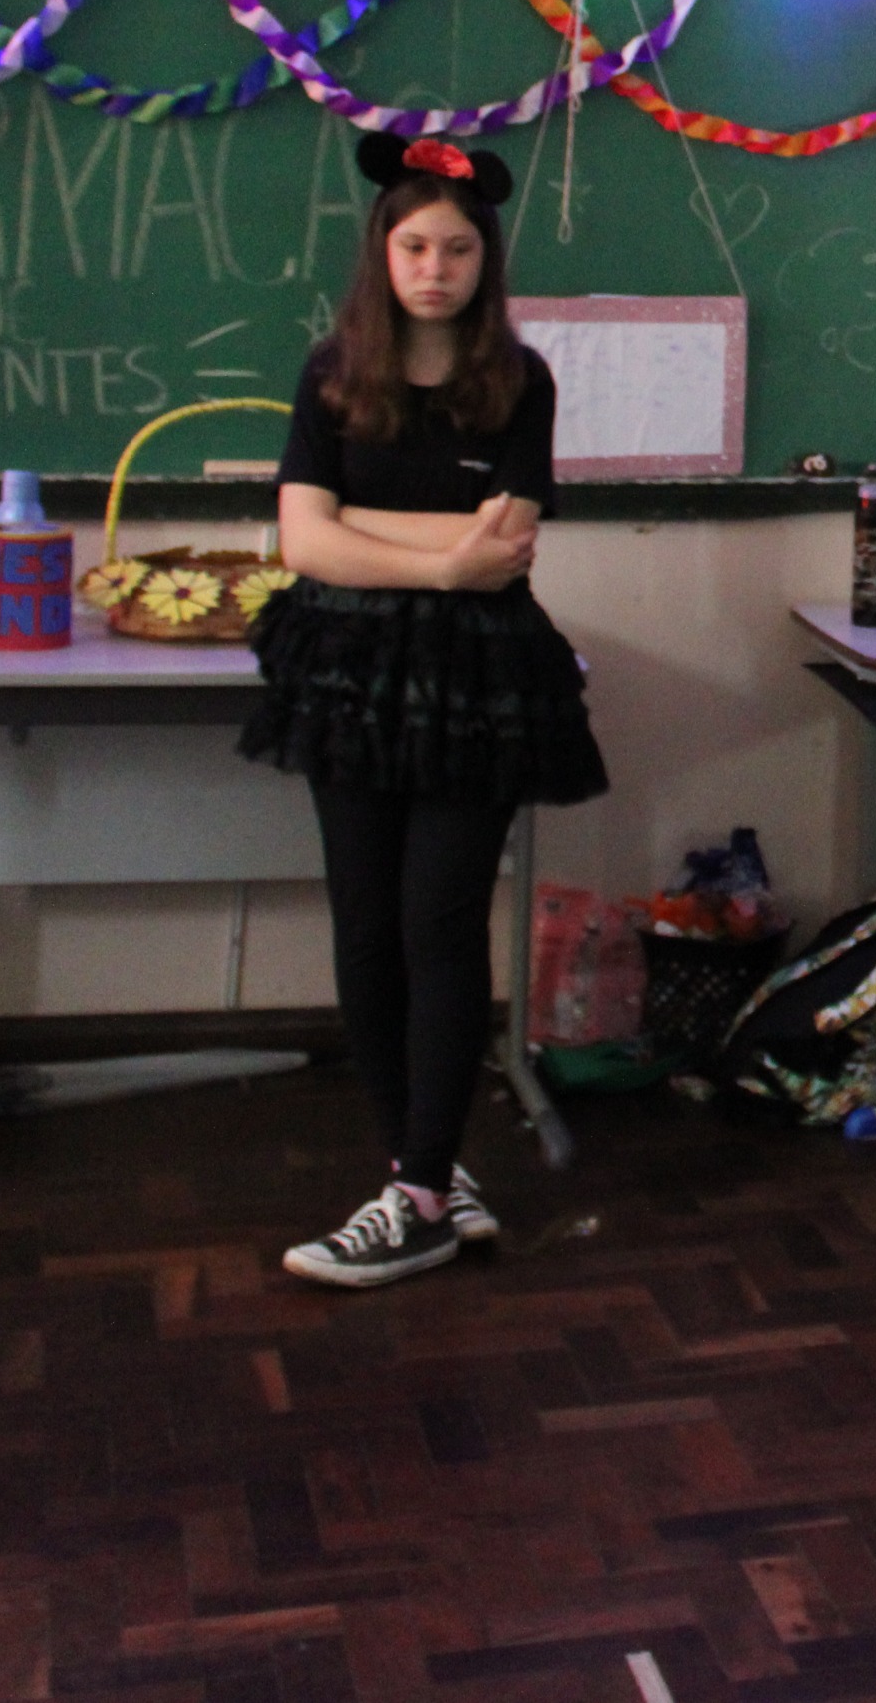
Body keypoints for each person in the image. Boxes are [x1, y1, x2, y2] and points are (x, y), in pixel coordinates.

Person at [244, 132, 603, 1290]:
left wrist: (364, 529)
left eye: (456, 249)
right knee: (365, 927)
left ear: (484, 260)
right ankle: (422, 1172)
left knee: (438, 921)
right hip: (346, 672)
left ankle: (419, 1194)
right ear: (381, 252)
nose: (434, 268)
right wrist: (444, 557)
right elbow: (301, 541)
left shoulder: (519, 380)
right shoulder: (332, 370)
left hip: (477, 681)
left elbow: (509, 540)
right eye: (413, 247)